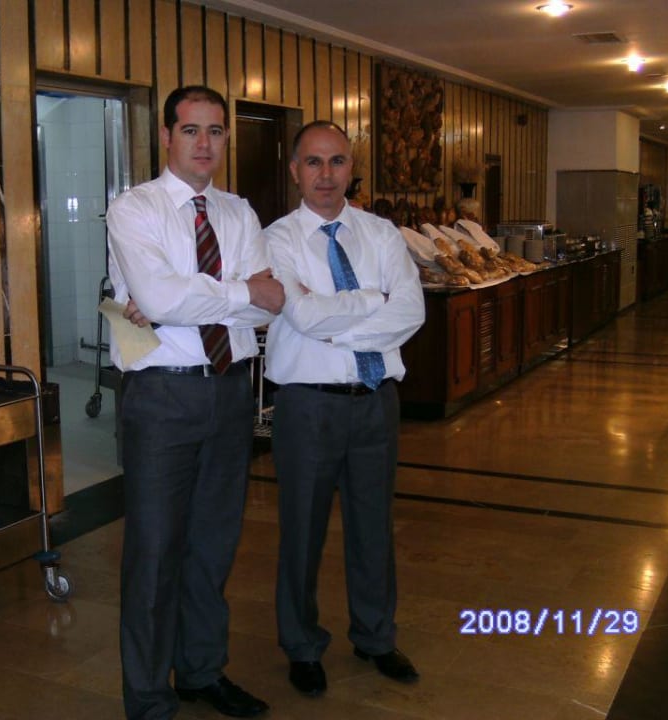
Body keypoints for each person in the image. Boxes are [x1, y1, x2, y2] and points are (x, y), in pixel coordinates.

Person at [106, 85, 284, 720]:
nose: (205, 143)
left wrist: (196, 296)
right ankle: (149, 699)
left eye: (215, 131)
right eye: (190, 130)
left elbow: (269, 305)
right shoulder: (135, 209)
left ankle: (202, 672)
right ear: (166, 136)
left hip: (231, 390)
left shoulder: (239, 212)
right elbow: (163, 300)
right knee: (155, 555)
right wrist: (239, 291)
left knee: (212, 547)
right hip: (162, 397)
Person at [263, 120, 426, 698]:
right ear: (295, 171)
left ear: (352, 168)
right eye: (313, 162)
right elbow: (303, 316)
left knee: (373, 528)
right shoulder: (276, 240)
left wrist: (339, 325)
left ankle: (375, 636)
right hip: (308, 407)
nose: (326, 174)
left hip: (376, 402)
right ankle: (301, 645)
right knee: (301, 533)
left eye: (336, 161)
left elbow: (411, 311)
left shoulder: (381, 234)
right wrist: (373, 301)